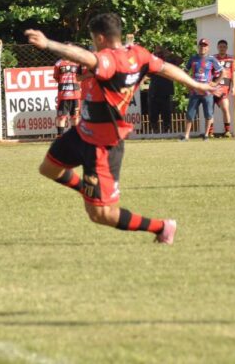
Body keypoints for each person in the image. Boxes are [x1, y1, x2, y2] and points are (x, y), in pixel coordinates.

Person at [24, 13, 215, 245]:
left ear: (101, 38)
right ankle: (89, 189)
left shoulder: (110, 59)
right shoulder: (138, 54)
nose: (94, 45)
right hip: (82, 133)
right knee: (49, 168)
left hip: (102, 144)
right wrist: (194, 84)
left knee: (101, 215)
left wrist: (48, 44)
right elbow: (165, 68)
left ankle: (162, 227)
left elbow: (86, 57)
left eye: (94, 40)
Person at [182, 38, 222, 141]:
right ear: (198, 47)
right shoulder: (193, 58)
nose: (202, 48)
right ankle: (186, 136)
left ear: (208, 48)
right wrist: (188, 84)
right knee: (190, 114)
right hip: (195, 91)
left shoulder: (212, 59)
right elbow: (184, 72)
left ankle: (206, 135)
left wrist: (215, 83)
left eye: (205, 46)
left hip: (207, 92)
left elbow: (222, 72)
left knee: (208, 114)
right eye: (201, 45)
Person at [53, 54, 84, 136]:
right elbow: (56, 77)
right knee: (61, 116)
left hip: (76, 95)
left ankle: (75, 136)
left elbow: (80, 76)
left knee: (75, 117)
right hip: (63, 95)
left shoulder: (78, 63)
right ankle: (60, 136)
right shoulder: (58, 63)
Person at [147, 46, 175, 134]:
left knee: (166, 114)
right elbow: (146, 71)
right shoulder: (152, 63)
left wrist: (166, 52)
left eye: (160, 52)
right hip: (154, 92)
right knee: (153, 115)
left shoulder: (169, 62)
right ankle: (155, 132)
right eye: (157, 53)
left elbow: (179, 60)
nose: (158, 54)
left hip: (166, 93)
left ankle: (166, 131)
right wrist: (152, 56)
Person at [212, 39, 235, 138]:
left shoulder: (231, 59)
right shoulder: (212, 58)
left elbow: (233, 73)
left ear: (227, 48)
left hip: (224, 88)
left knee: (225, 108)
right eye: (220, 47)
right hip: (213, 88)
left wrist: (233, 87)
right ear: (217, 47)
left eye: (224, 47)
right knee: (210, 110)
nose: (222, 49)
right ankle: (210, 132)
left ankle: (227, 131)